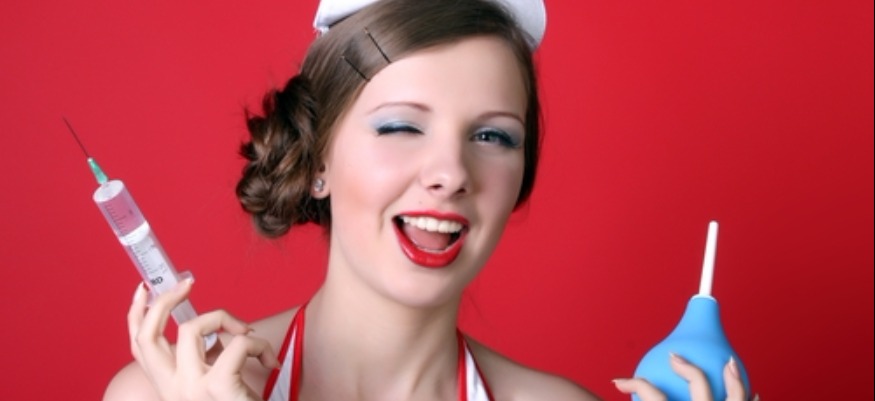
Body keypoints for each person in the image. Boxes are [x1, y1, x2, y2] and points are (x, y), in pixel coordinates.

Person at [103, 0, 752, 400]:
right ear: (317, 158)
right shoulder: (163, 396)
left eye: (492, 136)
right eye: (400, 126)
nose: (450, 173)